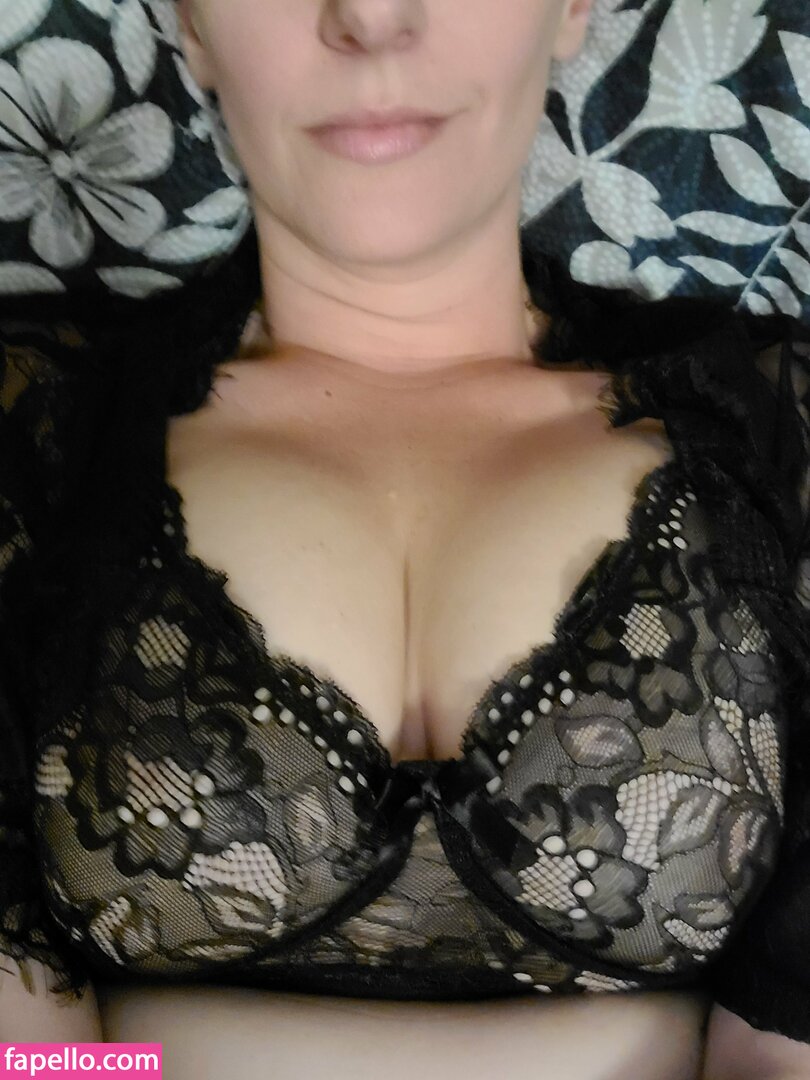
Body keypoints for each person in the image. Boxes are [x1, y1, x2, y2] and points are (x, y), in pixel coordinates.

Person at [2, 2, 810, 1078]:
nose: (372, 18)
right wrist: (658, 1038)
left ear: (570, 8)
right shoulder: (29, 437)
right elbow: (30, 1067)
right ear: (191, 24)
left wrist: (162, 1038)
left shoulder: (777, 436)